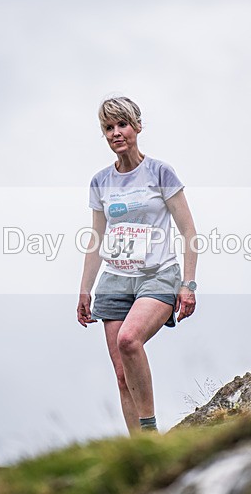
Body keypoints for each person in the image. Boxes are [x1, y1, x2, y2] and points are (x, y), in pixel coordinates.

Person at [76, 96, 198, 434]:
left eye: (122, 125)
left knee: (129, 340)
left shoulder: (160, 172)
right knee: (120, 374)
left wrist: (188, 284)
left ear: (137, 127)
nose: (116, 133)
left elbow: (188, 231)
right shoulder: (101, 182)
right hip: (114, 280)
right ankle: (141, 453)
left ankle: (149, 430)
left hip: (157, 276)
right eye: (109, 128)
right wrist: (84, 289)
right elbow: (96, 239)